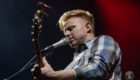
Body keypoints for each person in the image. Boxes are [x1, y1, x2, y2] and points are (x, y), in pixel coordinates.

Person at [31, 9, 122, 80]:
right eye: (65, 31)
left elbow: (98, 69)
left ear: (87, 27)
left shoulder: (105, 40)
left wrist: (54, 75)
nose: (66, 34)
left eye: (71, 28)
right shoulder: (77, 59)